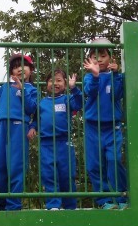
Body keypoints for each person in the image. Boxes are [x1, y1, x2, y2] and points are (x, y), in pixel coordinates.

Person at [0, 53, 37, 210]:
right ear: (12, 72)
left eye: (23, 66)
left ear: (31, 70)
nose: (19, 69)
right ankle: (3, 203)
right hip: (1, 127)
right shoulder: (5, 87)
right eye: (15, 67)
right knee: (0, 166)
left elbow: (32, 108)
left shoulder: (31, 89)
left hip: (18, 127)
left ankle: (14, 205)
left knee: (16, 166)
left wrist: (22, 90)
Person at [83, 38, 128, 209]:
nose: (99, 60)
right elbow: (90, 91)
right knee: (94, 165)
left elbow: (117, 95)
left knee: (114, 159)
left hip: (112, 126)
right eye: (95, 57)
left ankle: (121, 197)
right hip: (93, 126)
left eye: (103, 56)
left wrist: (115, 75)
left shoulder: (116, 77)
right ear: (90, 60)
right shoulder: (89, 77)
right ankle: (104, 201)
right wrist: (95, 75)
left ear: (110, 58)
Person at [31, 69, 82, 210]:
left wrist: (74, 88)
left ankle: (70, 206)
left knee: (67, 174)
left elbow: (79, 104)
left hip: (64, 142)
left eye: (59, 80)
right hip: (46, 143)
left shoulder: (67, 99)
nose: (55, 83)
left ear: (65, 83)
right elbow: (36, 120)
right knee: (49, 174)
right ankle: (53, 204)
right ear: (46, 84)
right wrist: (32, 127)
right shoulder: (42, 103)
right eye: (51, 80)